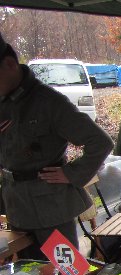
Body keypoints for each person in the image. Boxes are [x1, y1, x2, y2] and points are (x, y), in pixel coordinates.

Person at [0, 33, 114, 259]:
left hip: (51, 207)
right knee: (28, 273)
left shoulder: (49, 102)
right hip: (16, 205)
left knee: (66, 271)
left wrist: (71, 173)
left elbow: (100, 142)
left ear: (10, 64)